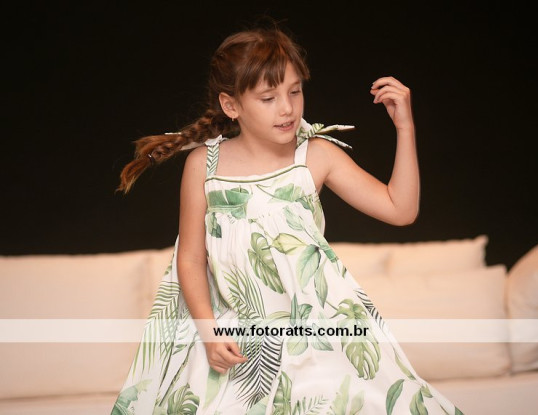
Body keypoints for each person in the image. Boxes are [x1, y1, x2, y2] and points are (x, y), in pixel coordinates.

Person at [112, 24, 464, 415]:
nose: (287, 108)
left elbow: (401, 209)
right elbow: (192, 259)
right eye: (268, 97)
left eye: (295, 91)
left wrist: (405, 127)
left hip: (315, 340)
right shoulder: (204, 165)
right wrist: (209, 333)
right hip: (237, 342)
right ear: (231, 105)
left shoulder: (316, 156)